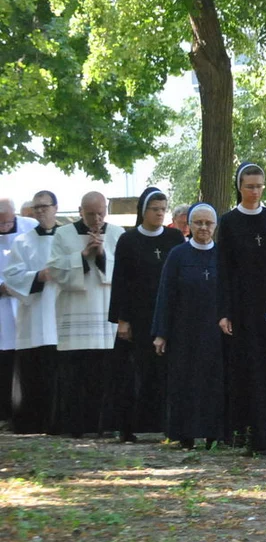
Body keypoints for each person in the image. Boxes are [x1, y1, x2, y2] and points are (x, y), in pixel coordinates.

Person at [217, 162, 266, 456]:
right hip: (243, 308)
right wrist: (224, 311)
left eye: (259, 186)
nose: (255, 191)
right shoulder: (230, 221)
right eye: (250, 186)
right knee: (248, 371)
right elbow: (223, 269)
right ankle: (249, 434)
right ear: (239, 187)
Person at [107, 187, 186, 442]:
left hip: (168, 316)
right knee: (136, 373)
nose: (160, 214)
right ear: (143, 211)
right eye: (155, 210)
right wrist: (122, 320)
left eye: (163, 209)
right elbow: (120, 281)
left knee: (165, 372)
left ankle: (167, 424)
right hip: (138, 316)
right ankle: (129, 426)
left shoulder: (174, 238)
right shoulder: (129, 240)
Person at [151, 203, 228, 449]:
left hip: (215, 333)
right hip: (184, 331)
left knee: (213, 383)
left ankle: (213, 433)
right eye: (198, 223)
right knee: (185, 382)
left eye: (208, 223)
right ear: (190, 225)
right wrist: (161, 333)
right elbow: (166, 295)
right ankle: (185, 434)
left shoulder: (223, 255)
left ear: (215, 226)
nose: (204, 228)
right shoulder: (178, 255)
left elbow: (231, 293)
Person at [47, 191, 123, 436]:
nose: (96, 219)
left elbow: (123, 272)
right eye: (91, 214)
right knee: (75, 375)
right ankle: (75, 426)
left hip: (105, 316)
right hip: (74, 313)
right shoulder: (63, 233)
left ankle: (103, 426)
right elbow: (55, 270)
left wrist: (101, 255)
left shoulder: (117, 233)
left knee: (103, 375)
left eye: (100, 213)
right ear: (80, 211)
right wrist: (82, 255)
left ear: (106, 210)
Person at [2, 191, 61, 433]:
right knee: (35, 373)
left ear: (55, 208)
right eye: (36, 208)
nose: (40, 211)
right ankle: (31, 422)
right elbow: (12, 275)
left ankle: (60, 421)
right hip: (35, 314)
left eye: (44, 207)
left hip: (63, 311)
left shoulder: (69, 238)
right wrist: (38, 276)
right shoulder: (23, 241)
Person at [0, 198, 37, 422]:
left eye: (6, 223)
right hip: (2, 304)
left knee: (25, 359)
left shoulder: (29, 228)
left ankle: (25, 410)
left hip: (24, 300)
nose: (4, 228)